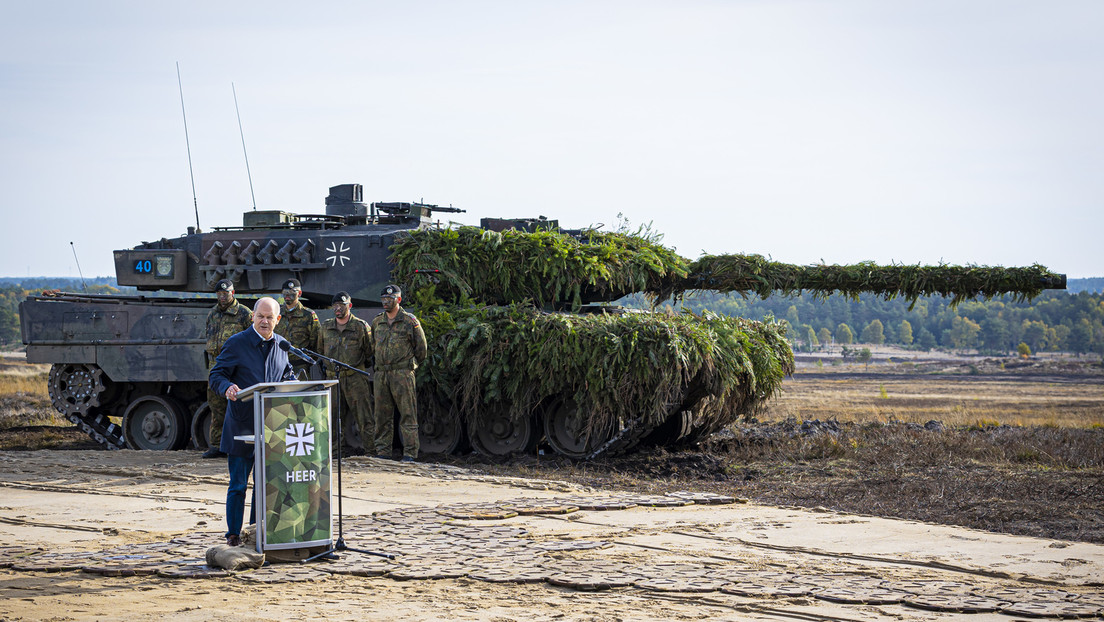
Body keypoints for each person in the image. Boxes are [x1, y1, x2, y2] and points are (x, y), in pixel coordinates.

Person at [209, 296, 297, 547]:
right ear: (253, 317)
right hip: (241, 426)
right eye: (261, 316)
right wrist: (226, 388)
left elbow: (287, 375)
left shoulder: (282, 346)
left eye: (270, 317)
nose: (265, 321)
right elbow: (216, 375)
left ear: (278, 320)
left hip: (272, 427)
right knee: (238, 485)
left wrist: (294, 386)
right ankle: (234, 536)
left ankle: (257, 532)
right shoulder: (237, 343)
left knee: (265, 485)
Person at [371, 284, 427, 462]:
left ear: (399, 300)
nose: (386, 302)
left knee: (407, 414)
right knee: (381, 415)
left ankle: (410, 453)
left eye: (390, 299)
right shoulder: (377, 322)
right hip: (382, 374)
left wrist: (409, 365)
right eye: (384, 299)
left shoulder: (409, 321)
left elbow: (421, 349)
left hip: (402, 372)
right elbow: (373, 346)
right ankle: (383, 452)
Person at [319, 291, 374, 456]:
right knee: (333, 417)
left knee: (364, 417)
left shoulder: (360, 326)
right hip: (333, 378)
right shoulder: (326, 326)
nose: (337, 309)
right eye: (335, 306)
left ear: (349, 306)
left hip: (355, 378)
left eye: (341, 306)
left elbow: (369, 351)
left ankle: (371, 452)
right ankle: (335, 452)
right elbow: (320, 350)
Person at [202, 278, 253, 459]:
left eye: (226, 293)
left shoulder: (244, 314)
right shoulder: (213, 314)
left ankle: (237, 445)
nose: (223, 297)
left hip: (237, 366)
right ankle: (216, 446)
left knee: (238, 406)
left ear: (233, 293)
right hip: (216, 365)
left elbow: (252, 339)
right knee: (216, 406)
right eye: (220, 294)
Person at [273, 278, 321, 379]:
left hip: (300, 367)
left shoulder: (308, 315)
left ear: (299, 293)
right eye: (285, 293)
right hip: (278, 365)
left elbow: (316, 342)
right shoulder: (276, 313)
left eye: (291, 293)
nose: (287, 296)